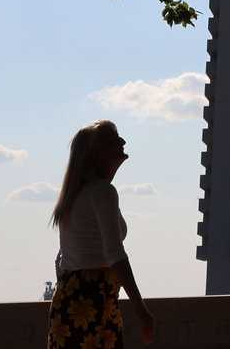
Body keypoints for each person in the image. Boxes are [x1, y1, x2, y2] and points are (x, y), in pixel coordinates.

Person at [48, 120, 155, 346]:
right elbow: (115, 255)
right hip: (96, 299)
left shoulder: (76, 194)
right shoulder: (103, 193)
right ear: (99, 153)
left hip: (69, 298)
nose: (123, 142)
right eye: (115, 139)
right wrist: (141, 309)